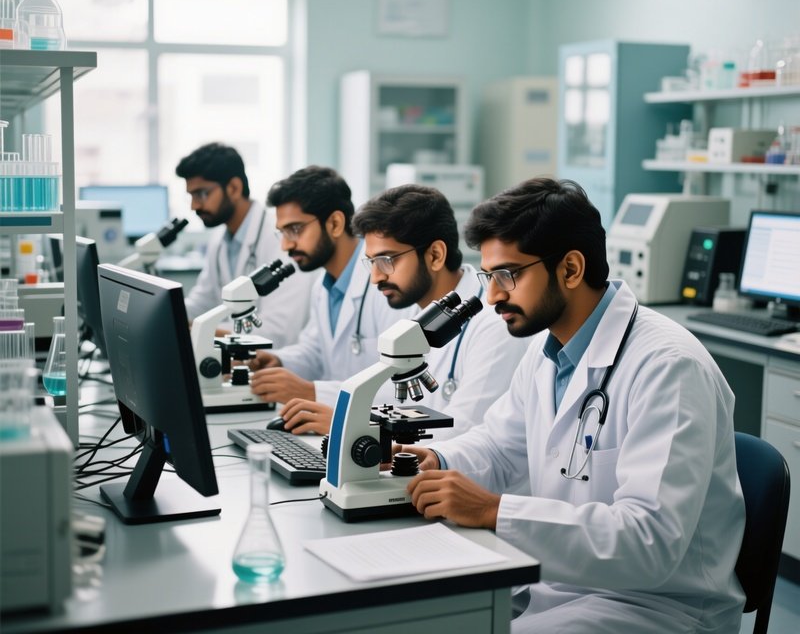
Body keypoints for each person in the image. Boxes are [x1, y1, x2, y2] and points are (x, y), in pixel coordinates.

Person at [402, 177, 745, 633]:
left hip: (654, 608)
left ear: (570, 269)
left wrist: (493, 510)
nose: (493, 296)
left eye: (508, 275)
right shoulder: (549, 352)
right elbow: (500, 445)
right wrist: (437, 458)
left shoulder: (669, 367)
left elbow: (651, 541)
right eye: (489, 276)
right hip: (560, 587)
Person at [278, 184, 530, 438]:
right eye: (372, 263)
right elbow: (395, 395)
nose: (375, 278)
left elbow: (465, 432)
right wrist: (332, 407)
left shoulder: (494, 323)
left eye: (387, 261)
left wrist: (352, 427)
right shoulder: (414, 310)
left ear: (435, 255)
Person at [248, 166, 408, 407]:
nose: (286, 245)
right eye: (281, 232)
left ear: (334, 223)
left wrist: (312, 392)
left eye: (295, 229)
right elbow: (316, 352)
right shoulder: (323, 286)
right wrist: (277, 361)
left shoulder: (387, 283)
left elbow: (400, 384)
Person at [175, 142, 317, 349]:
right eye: (191, 196)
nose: (194, 205)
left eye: (202, 194)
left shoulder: (281, 238)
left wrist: (200, 330)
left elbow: (278, 331)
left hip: (279, 363)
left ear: (234, 188)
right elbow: (202, 302)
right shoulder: (219, 240)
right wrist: (168, 318)